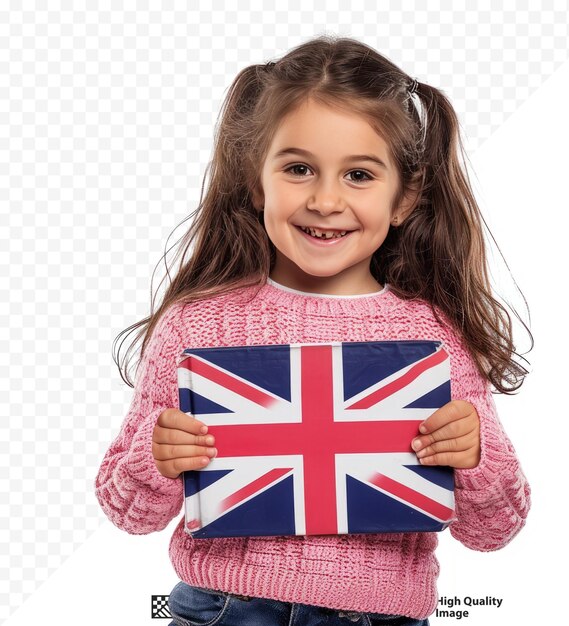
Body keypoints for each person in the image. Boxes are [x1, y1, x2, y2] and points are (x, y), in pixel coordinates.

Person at [95, 34, 532, 626]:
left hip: (381, 616)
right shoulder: (199, 324)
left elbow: (495, 529)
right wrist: (156, 455)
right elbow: (128, 513)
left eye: (358, 175)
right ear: (257, 181)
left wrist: (474, 456)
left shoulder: (432, 335)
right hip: (225, 609)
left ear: (404, 197)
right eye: (299, 169)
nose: (326, 200)